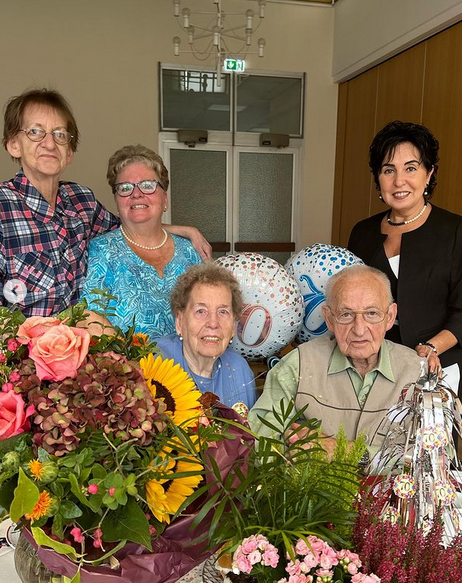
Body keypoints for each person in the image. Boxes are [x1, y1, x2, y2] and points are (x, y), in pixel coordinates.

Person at [0, 88, 211, 317]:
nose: (50, 144)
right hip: (19, 340)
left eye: (60, 134)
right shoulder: (3, 208)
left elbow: (131, 224)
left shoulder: (81, 201)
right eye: (35, 132)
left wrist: (186, 230)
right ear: (13, 144)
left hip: (80, 337)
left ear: (69, 153)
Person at [248, 265, 422, 448]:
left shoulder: (417, 371)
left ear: (390, 316)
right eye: (346, 314)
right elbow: (260, 439)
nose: (359, 330)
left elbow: (433, 453)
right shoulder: (298, 364)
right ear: (329, 319)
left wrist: (342, 450)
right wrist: (294, 449)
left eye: (371, 313)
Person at [348, 121, 462, 394]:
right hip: (373, 368)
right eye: (389, 170)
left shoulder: (456, 231)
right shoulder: (362, 233)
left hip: (438, 367)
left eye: (411, 168)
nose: (399, 181)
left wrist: (432, 347)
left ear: (429, 173)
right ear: (378, 178)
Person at [81, 145, 203, 339]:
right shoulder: (101, 251)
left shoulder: (190, 252)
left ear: (165, 199)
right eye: (125, 188)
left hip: (193, 358)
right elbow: (91, 320)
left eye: (147, 185)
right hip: (124, 359)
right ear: (117, 201)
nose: (136, 194)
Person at [156, 262, 257, 410]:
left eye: (223, 312)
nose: (213, 323)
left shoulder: (239, 369)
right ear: (180, 321)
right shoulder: (157, 362)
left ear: (233, 325)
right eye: (201, 311)